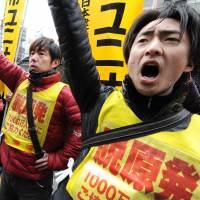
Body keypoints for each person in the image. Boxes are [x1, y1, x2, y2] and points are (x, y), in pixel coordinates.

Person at [49, 0, 200, 199]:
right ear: (129, 58)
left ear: (190, 62)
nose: (152, 48)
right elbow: (70, 31)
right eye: (143, 40)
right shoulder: (100, 104)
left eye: (170, 39)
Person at [0, 36, 81, 200]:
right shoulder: (21, 79)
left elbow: (82, 128)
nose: (33, 58)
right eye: (31, 54)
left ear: (55, 62)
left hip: (34, 184)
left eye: (41, 54)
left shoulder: (64, 94)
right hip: (7, 173)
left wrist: (57, 160)